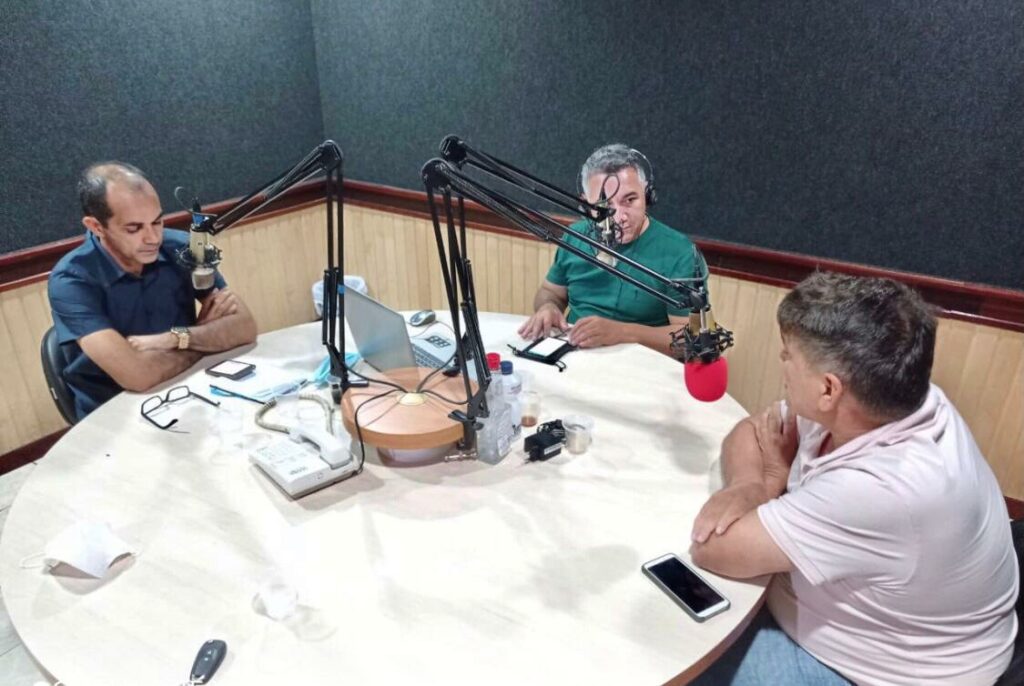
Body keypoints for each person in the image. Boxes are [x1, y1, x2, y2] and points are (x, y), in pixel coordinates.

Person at [687, 272, 1018, 685]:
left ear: (829, 389)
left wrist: (771, 481)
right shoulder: (886, 401)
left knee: (680, 653)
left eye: (788, 355)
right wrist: (749, 485)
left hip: (890, 674)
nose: (782, 364)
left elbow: (713, 548)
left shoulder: (885, 488)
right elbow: (751, 431)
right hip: (867, 627)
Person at [48, 162, 258, 420]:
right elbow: (138, 376)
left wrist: (174, 339)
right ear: (96, 226)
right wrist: (205, 339)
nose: (153, 238)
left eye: (157, 221)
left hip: (188, 389)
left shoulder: (181, 247)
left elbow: (244, 328)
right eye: (134, 228)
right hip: (112, 411)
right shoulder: (71, 280)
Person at [517, 144, 696, 356]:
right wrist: (548, 307)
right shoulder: (576, 236)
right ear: (586, 205)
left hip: (639, 365)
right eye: (604, 207)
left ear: (647, 194)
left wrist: (623, 332)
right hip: (574, 356)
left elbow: (691, 339)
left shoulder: (679, 252)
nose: (620, 217)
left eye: (630, 200)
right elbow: (550, 292)